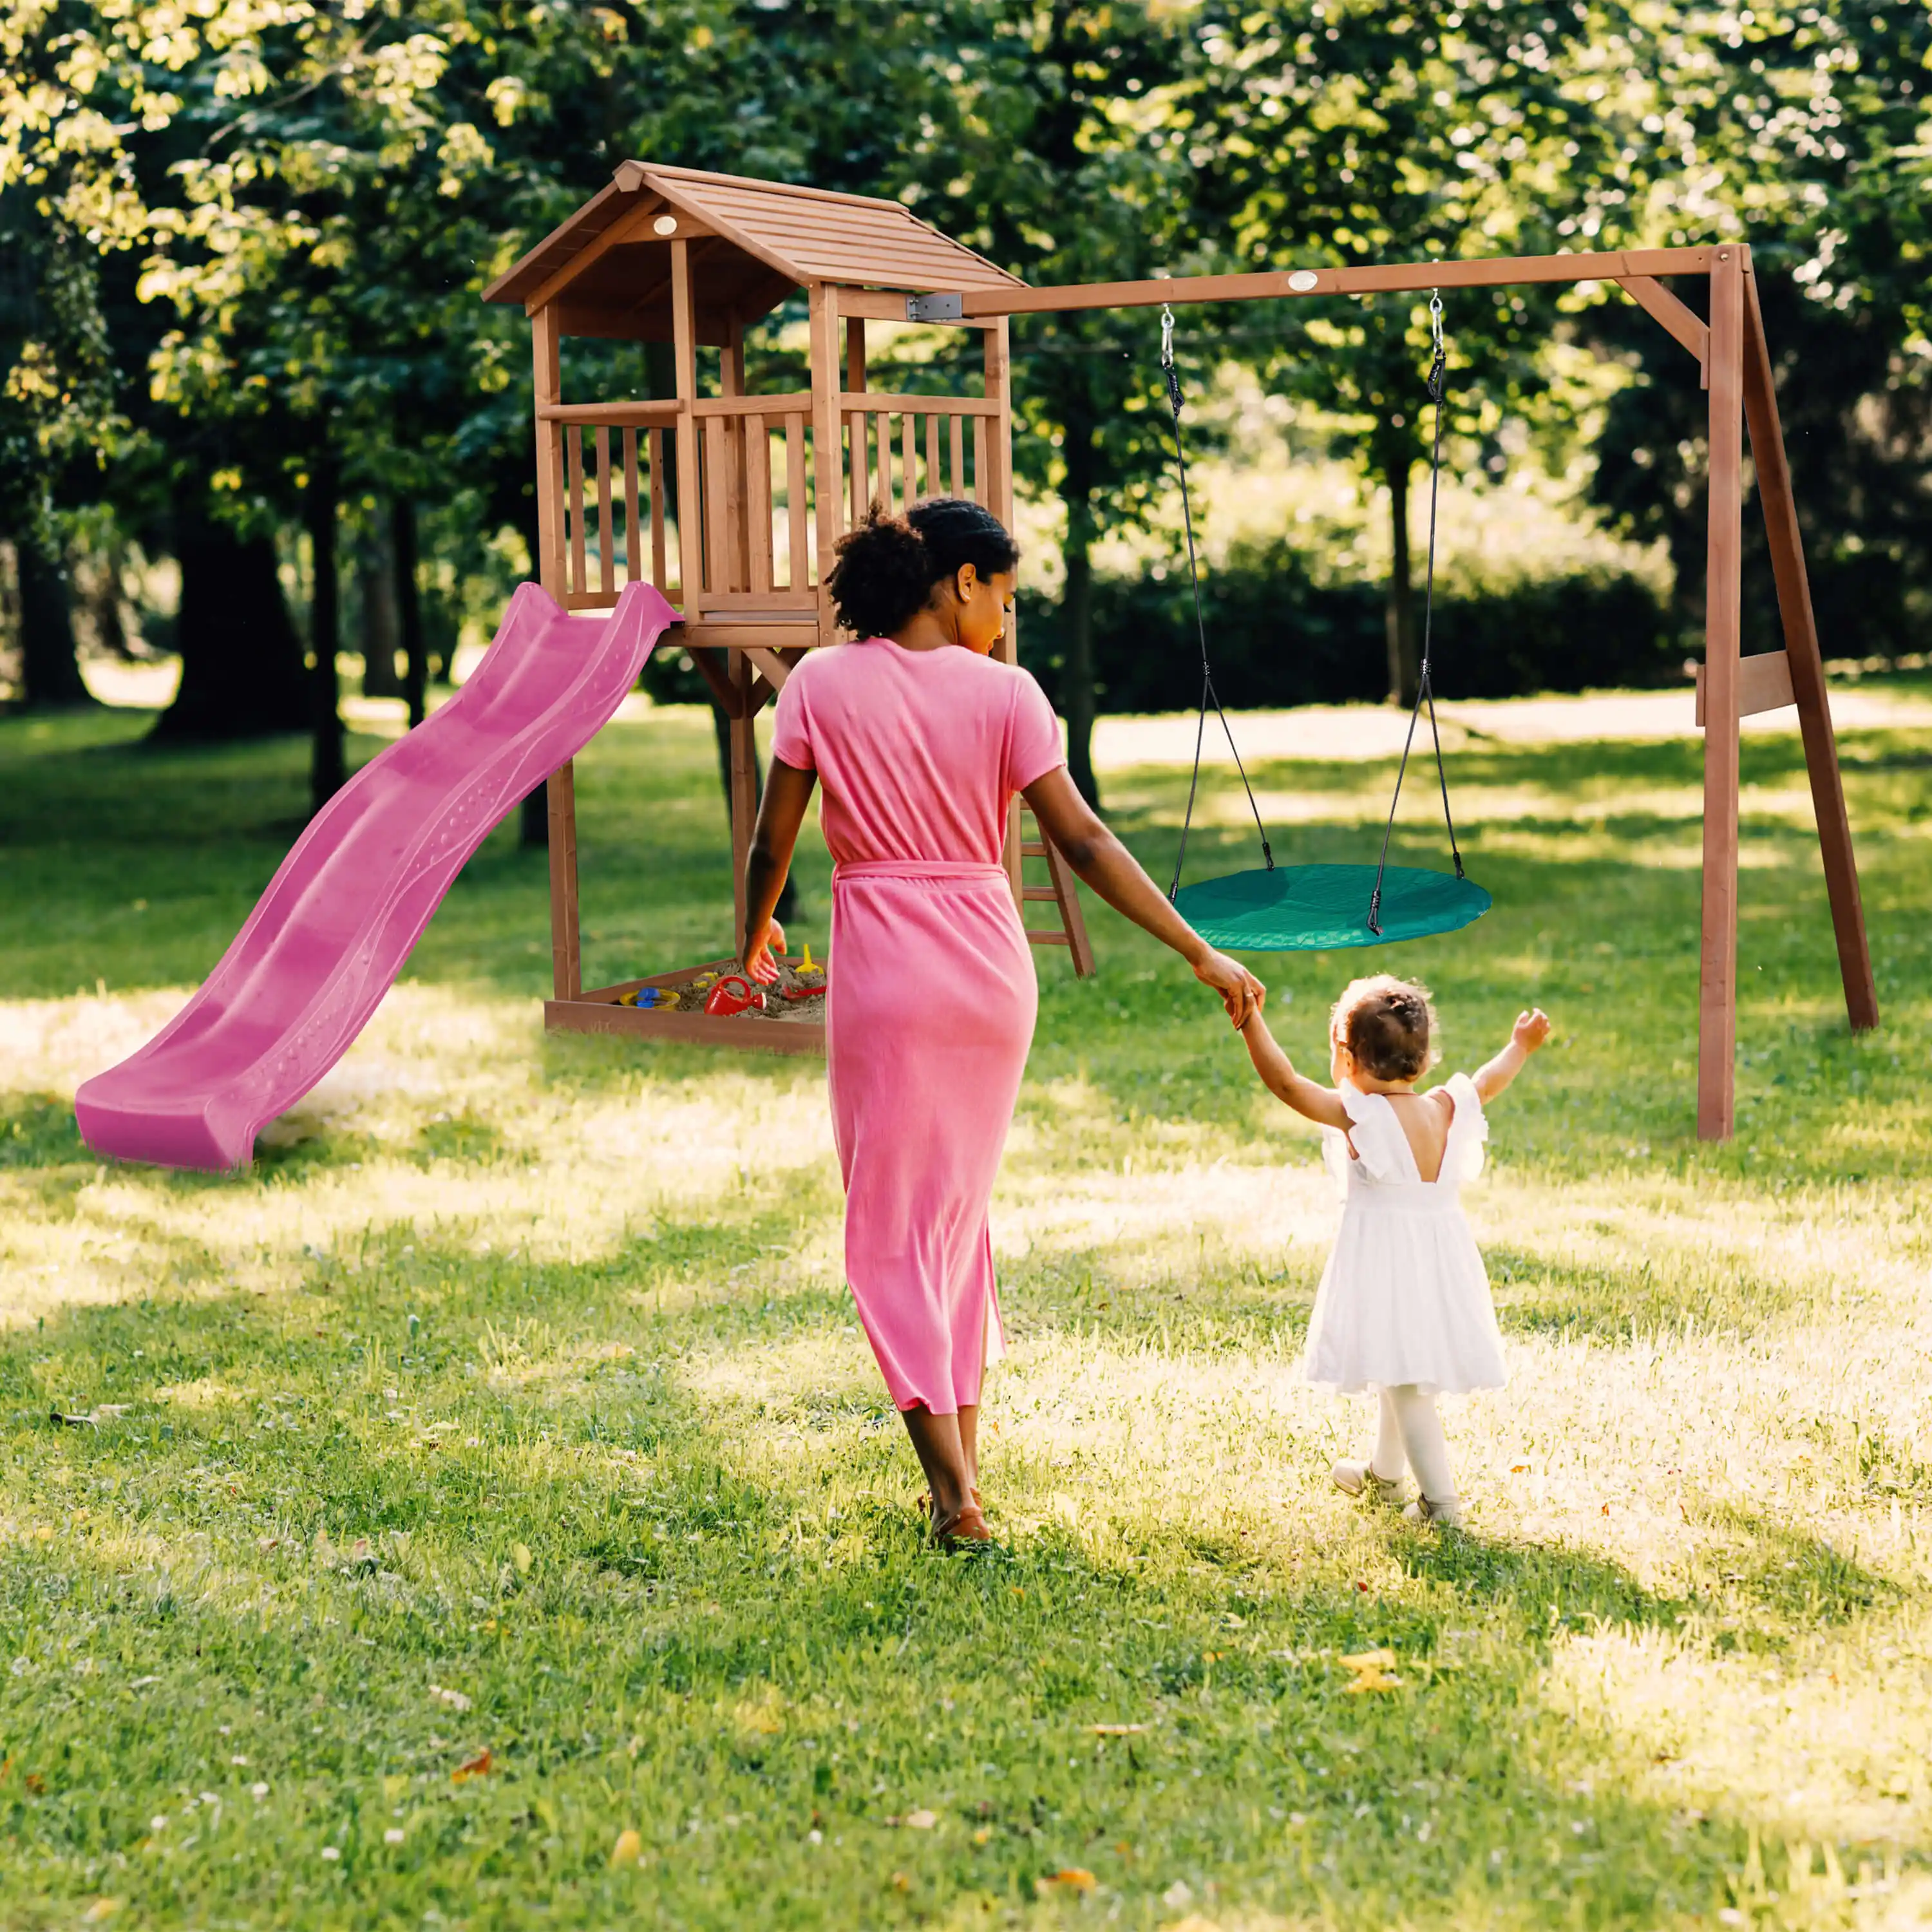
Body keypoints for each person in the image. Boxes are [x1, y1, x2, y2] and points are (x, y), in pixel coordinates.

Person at [741, 498, 1265, 1546]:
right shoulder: (1009, 697)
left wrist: (751, 938)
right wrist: (1197, 948)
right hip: (989, 970)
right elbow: (1083, 843)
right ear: (961, 582)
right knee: (952, 1224)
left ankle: (954, 1495)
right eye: (1007, 597)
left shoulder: (818, 684)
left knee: (890, 1230)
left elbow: (772, 844)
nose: (1009, 621)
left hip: (887, 971)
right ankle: (962, 1479)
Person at [1235, 975, 1551, 1527]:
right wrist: (1520, 1046)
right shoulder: (1446, 1106)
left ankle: (1441, 1504)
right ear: (1424, 1060)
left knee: (1406, 1383)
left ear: (1348, 1058)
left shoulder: (1361, 1116)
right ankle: (1384, 1475)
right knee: (1394, 1362)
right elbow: (1488, 1080)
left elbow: (1286, 1084)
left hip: (1388, 1264)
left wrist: (1250, 1020)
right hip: (1438, 1260)